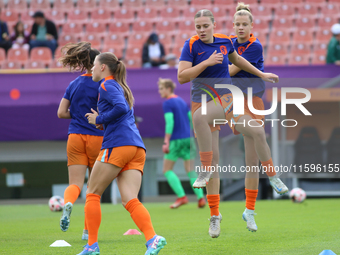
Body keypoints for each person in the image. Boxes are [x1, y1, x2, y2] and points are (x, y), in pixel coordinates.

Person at [177, 9, 281, 238]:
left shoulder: (228, 43)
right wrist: (205, 63)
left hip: (229, 99)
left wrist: (261, 75)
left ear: (214, 25)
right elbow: (182, 77)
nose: (202, 30)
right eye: (198, 27)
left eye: (206, 26)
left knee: (254, 141)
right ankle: (215, 216)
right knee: (214, 159)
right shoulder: (192, 45)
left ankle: (267, 184)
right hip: (203, 101)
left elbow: (237, 61)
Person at [80, 52, 166, 255]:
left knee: (92, 193)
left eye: (94, 65)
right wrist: (103, 122)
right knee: (130, 200)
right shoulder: (118, 85)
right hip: (136, 147)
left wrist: (99, 119)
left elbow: (120, 108)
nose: (91, 68)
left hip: (118, 145)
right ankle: (152, 239)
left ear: (103, 68)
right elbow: (123, 112)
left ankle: (91, 246)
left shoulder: (106, 85)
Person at [228, 3, 289, 232]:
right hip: (235, 99)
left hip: (254, 101)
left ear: (252, 26)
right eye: (238, 24)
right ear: (233, 26)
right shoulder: (229, 44)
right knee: (258, 131)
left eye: (245, 24)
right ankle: (273, 176)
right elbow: (230, 71)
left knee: (251, 164)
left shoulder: (254, 46)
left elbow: (231, 69)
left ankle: (249, 212)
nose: (241, 27)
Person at [57, 42, 103, 241]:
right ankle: (87, 232)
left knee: (75, 184)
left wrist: (77, 116)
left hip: (74, 136)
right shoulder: (103, 84)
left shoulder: (74, 84)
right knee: (93, 190)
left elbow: (60, 113)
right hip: (97, 137)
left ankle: (68, 203)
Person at [158, 78, 206, 209]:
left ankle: (181, 196)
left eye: (161, 88)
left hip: (176, 140)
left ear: (168, 89)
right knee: (190, 170)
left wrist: (166, 141)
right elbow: (191, 119)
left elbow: (170, 122)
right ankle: (201, 197)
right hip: (188, 139)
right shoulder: (182, 101)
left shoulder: (167, 103)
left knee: (167, 170)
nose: (159, 91)